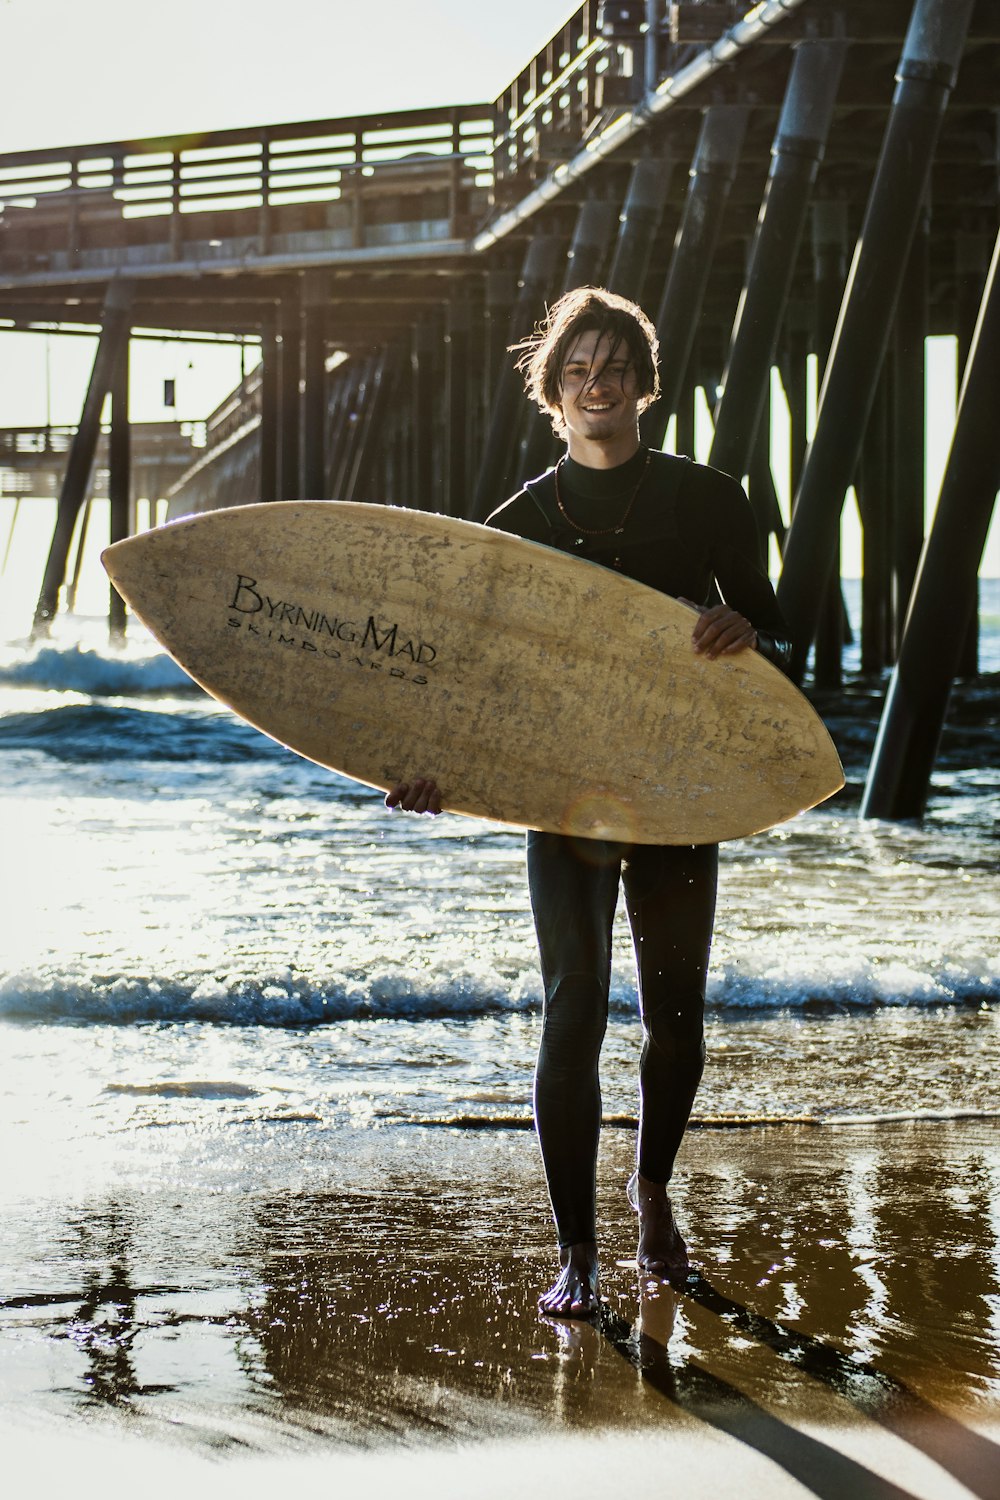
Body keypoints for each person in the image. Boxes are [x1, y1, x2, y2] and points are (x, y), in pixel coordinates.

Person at [387, 286, 791, 1319]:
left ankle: (652, 1187)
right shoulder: (517, 526)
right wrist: (433, 769)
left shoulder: (709, 498)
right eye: (577, 371)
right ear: (551, 393)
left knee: (676, 1016)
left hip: (672, 783)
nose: (597, 384)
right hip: (563, 794)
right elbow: (473, 675)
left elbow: (780, 616)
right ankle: (577, 1250)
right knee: (571, 1014)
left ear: (645, 386)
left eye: (614, 368)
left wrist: (739, 622)